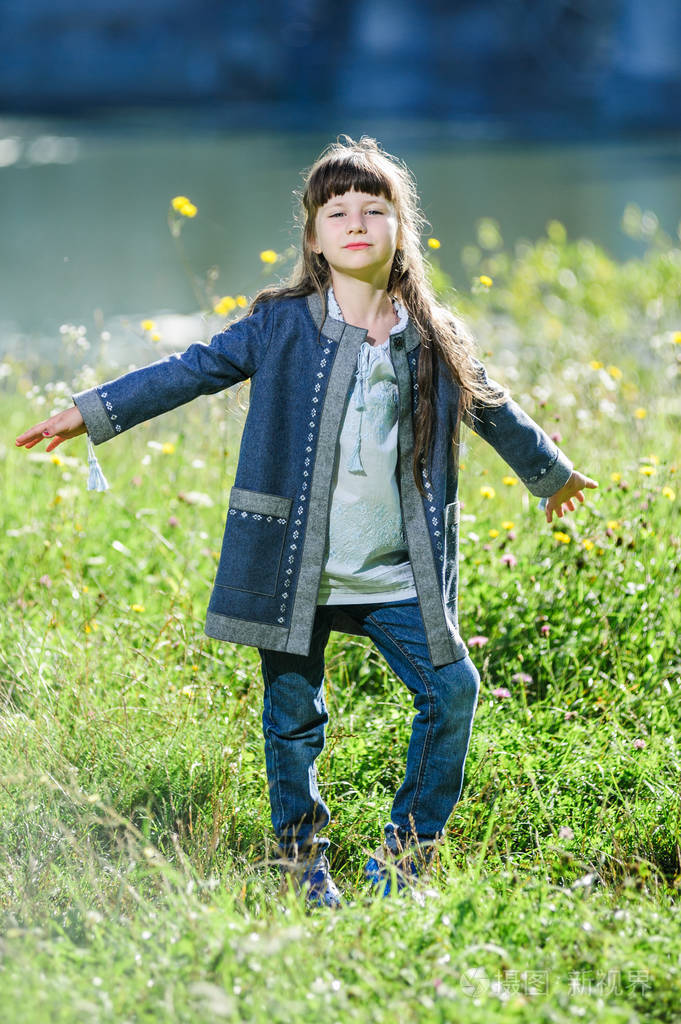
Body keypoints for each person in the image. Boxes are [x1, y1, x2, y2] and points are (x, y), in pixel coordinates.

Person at [15, 135, 598, 909]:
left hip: (397, 572)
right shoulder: (279, 324)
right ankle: (299, 863)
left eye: (373, 209)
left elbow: (493, 408)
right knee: (293, 720)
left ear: (400, 228)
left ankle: (404, 861)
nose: (355, 221)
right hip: (293, 568)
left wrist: (551, 474)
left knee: (451, 689)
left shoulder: (433, 333)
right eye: (337, 211)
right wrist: (93, 412)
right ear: (314, 237)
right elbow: (189, 370)